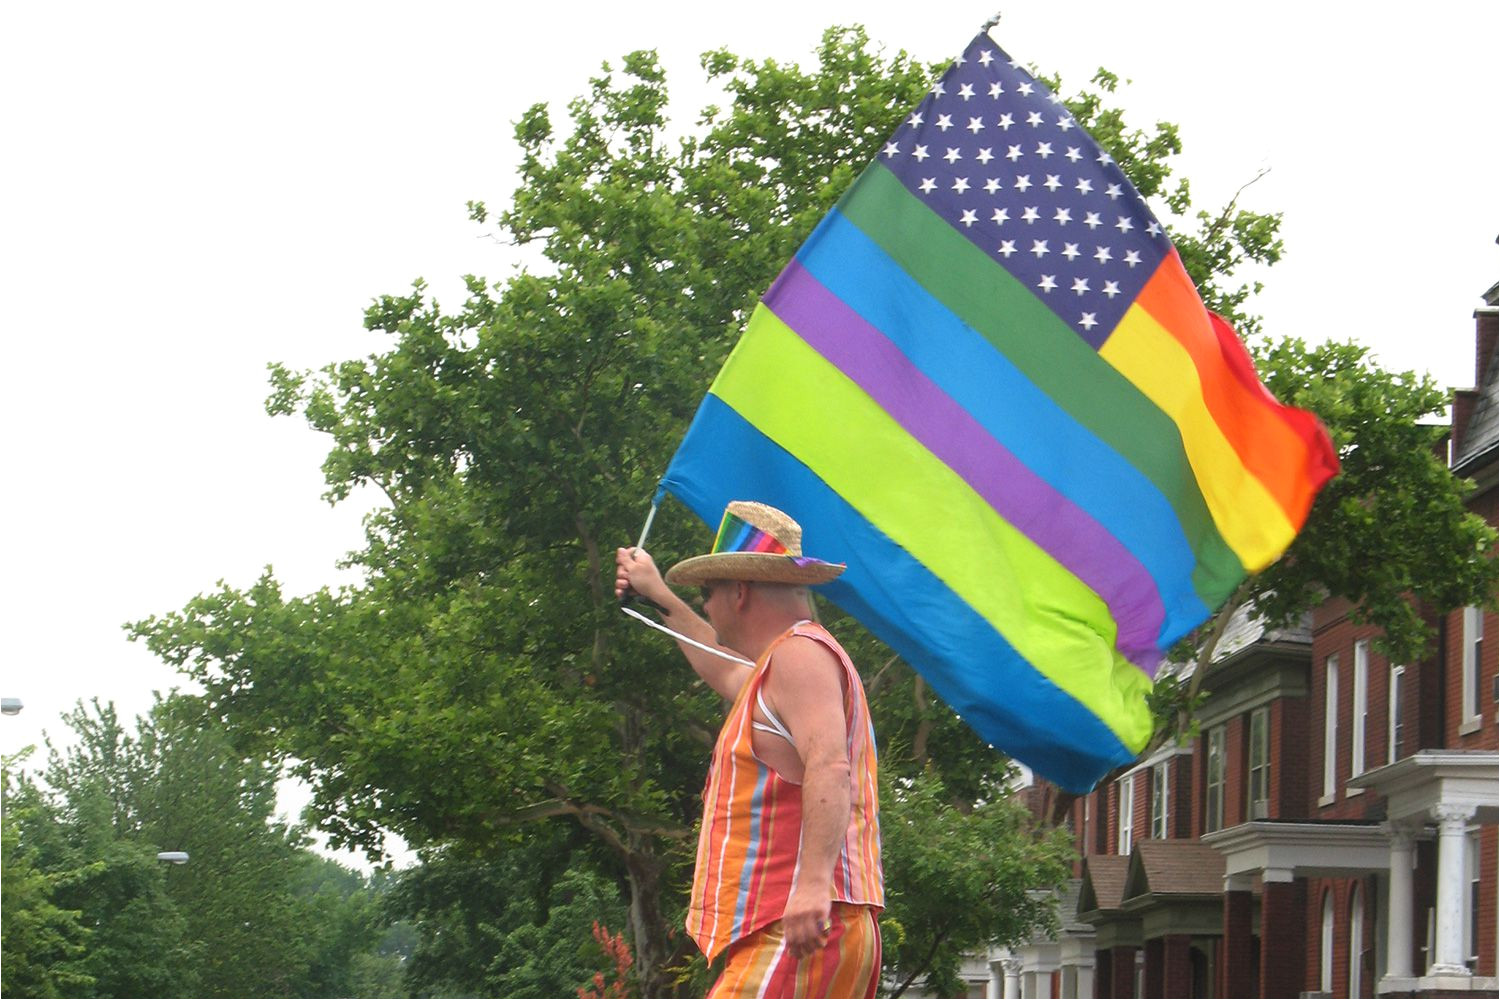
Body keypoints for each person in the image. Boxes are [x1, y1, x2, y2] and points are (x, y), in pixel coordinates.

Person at [615, 500, 884, 999]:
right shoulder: (783, 666)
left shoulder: (799, 654)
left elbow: (830, 764)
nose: (707, 605)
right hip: (810, 926)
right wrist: (659, 596)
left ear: (739, 592)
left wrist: (811, 887)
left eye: (708, 592)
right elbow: (723, 668)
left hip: (798, 925)